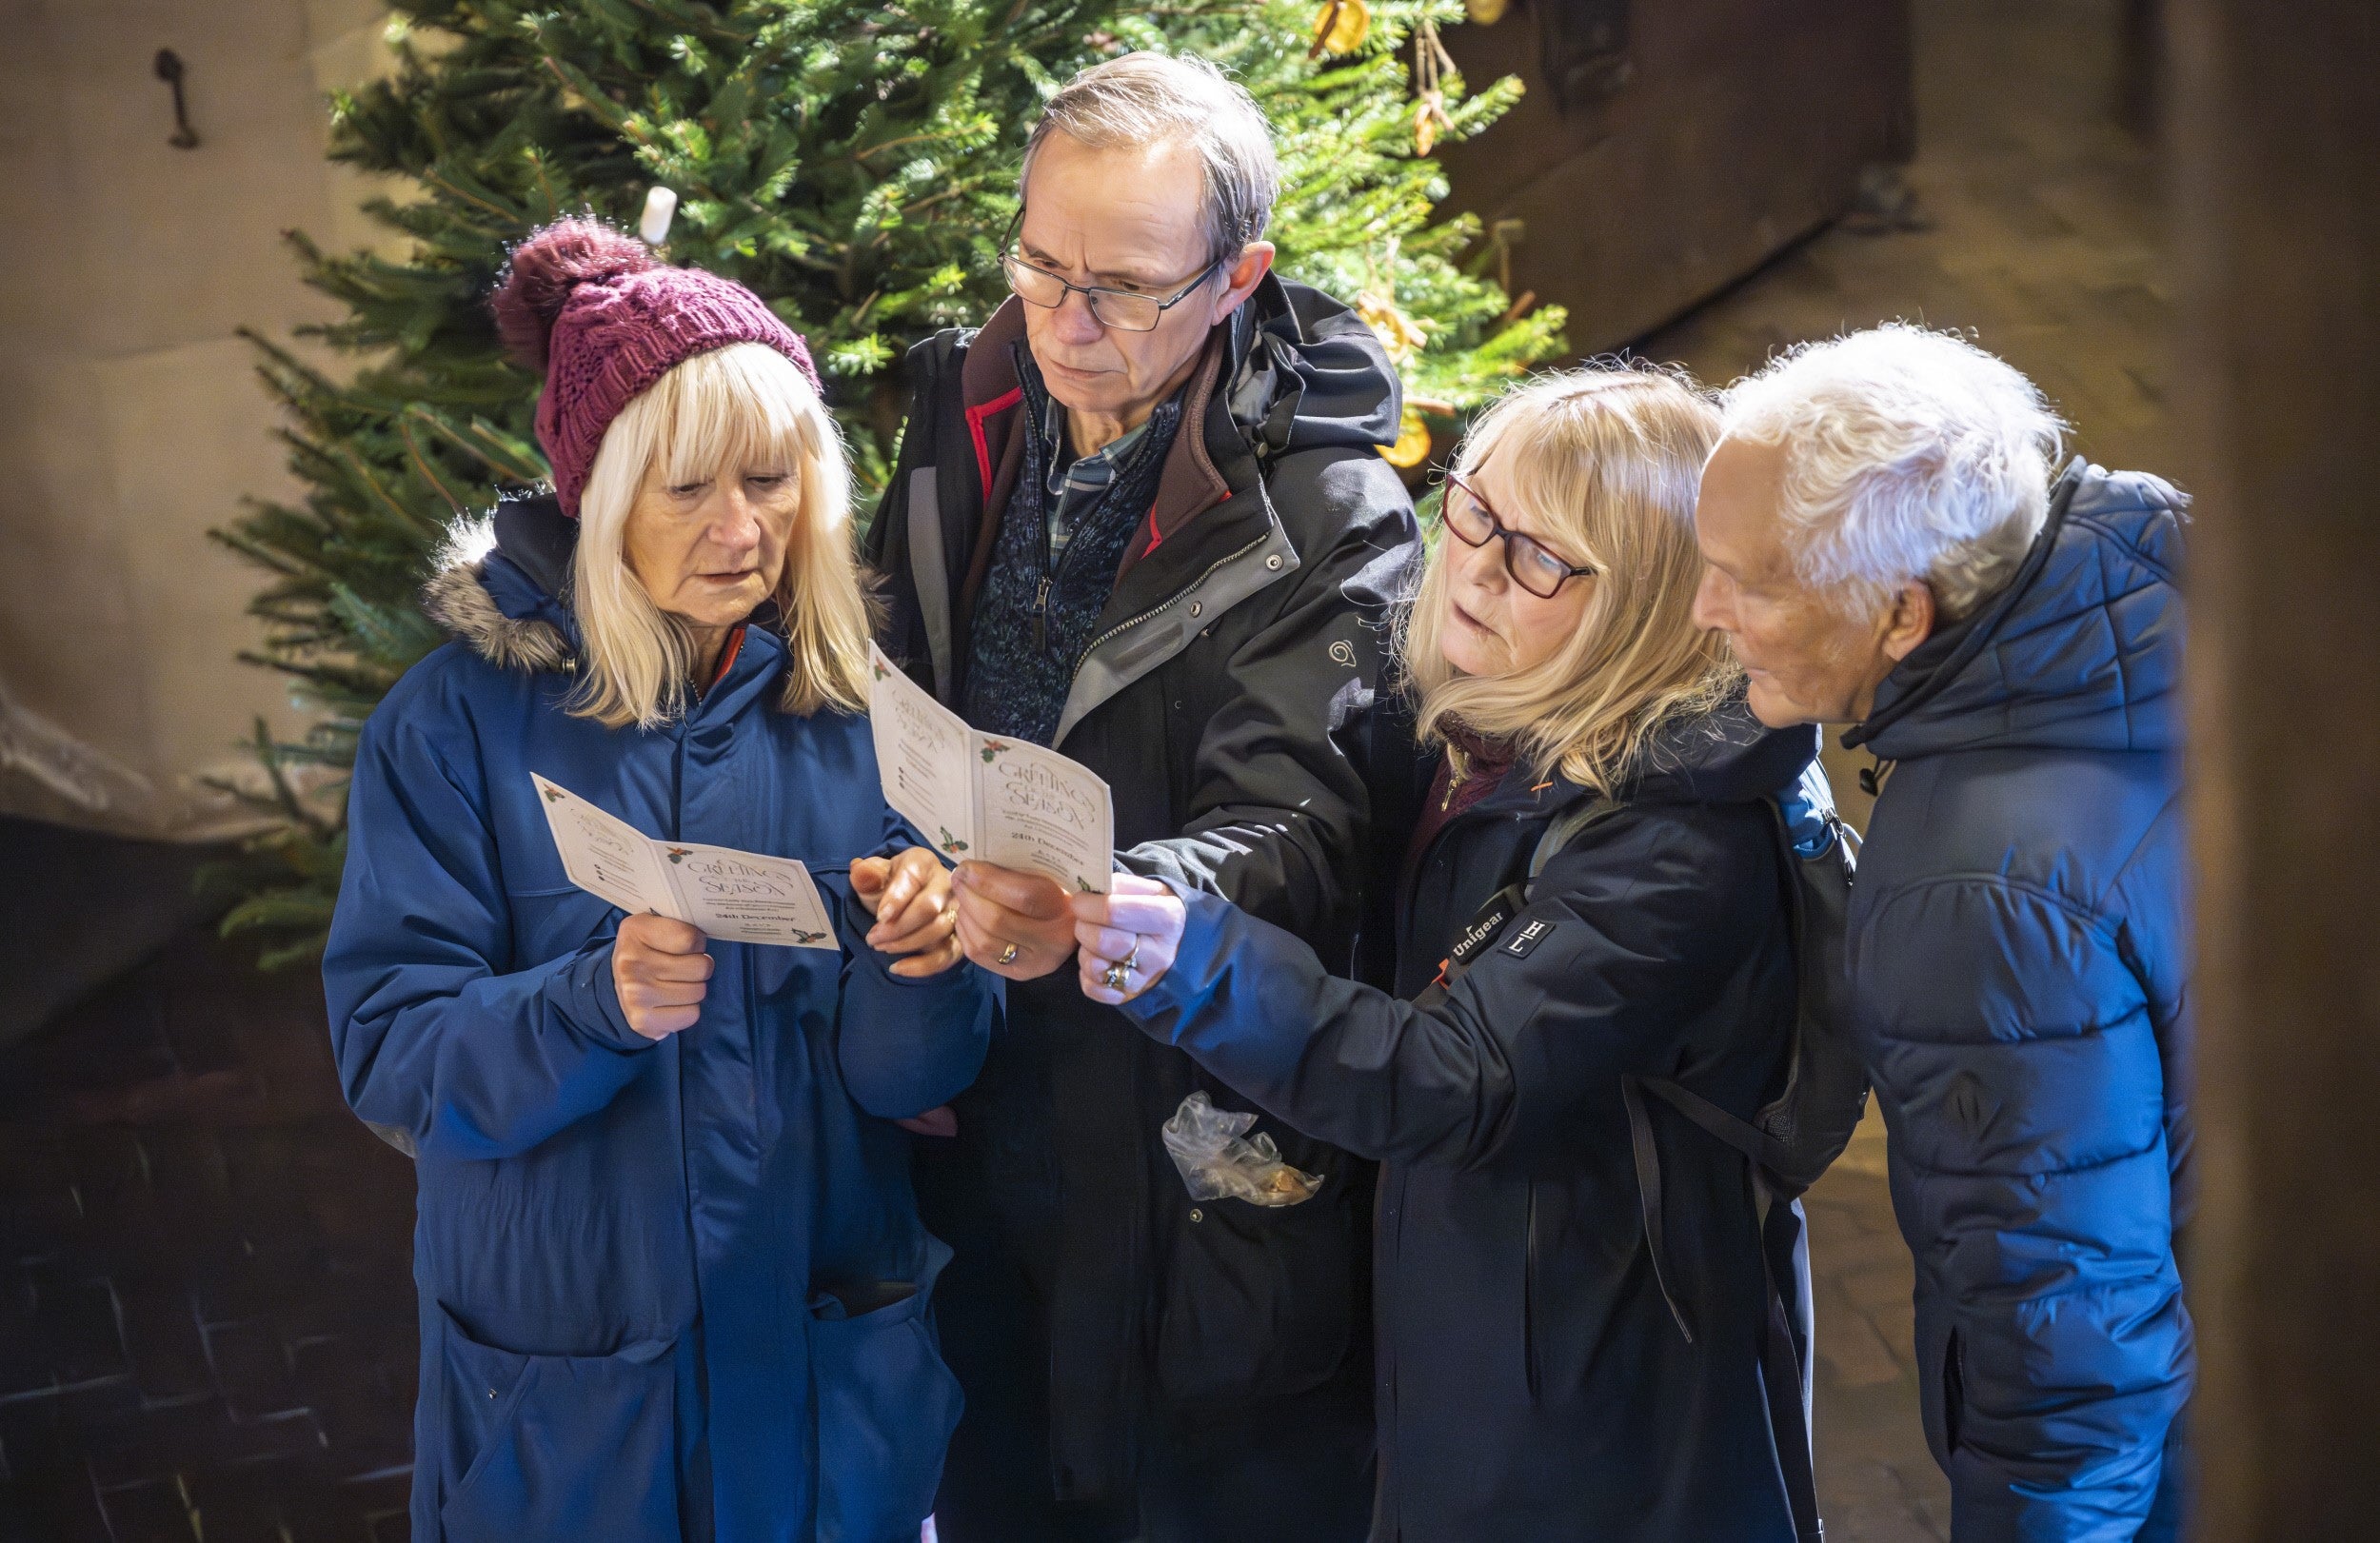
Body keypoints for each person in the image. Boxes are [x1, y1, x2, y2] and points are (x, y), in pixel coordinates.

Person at [1063, 367, 1823, 1542]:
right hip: (1470, 1348)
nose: (1471, 565)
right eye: (1473, 510)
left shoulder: (1677, 842)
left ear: (1650, 604)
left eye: (1541, 558)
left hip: (1597, 1406)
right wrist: (1152, 883)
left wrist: (1193, 958)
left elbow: (1451, 1080)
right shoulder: (1479, 722)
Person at [321, 220, 994, 1543]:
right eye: (688, 489)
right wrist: (590, 1005)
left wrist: (926, 961)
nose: (743, 531)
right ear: (601, 492)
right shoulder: (450, 727)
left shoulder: (865, 716)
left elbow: (913, 1085)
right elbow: (390, 1051)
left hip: (823, 1391)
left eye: (771, 478)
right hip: (572, 1411)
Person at [863, 50, 1419, 1543]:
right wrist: (906, 863)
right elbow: (893, 678)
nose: (1062, 320)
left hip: (1182, 1125)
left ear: (1239, 276)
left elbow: (1301, 828)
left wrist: (1107, 907)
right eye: (1039, 263)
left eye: (1120, 285)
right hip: (977, 1086)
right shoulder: (960, 400)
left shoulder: (1327, 514)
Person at [1690, 325, 2192, 1539]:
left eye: (1750, 581)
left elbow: (2063, 1348)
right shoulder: (2159, 584)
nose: (1705, 609)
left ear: (1901, 616)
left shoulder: (1974, 899)